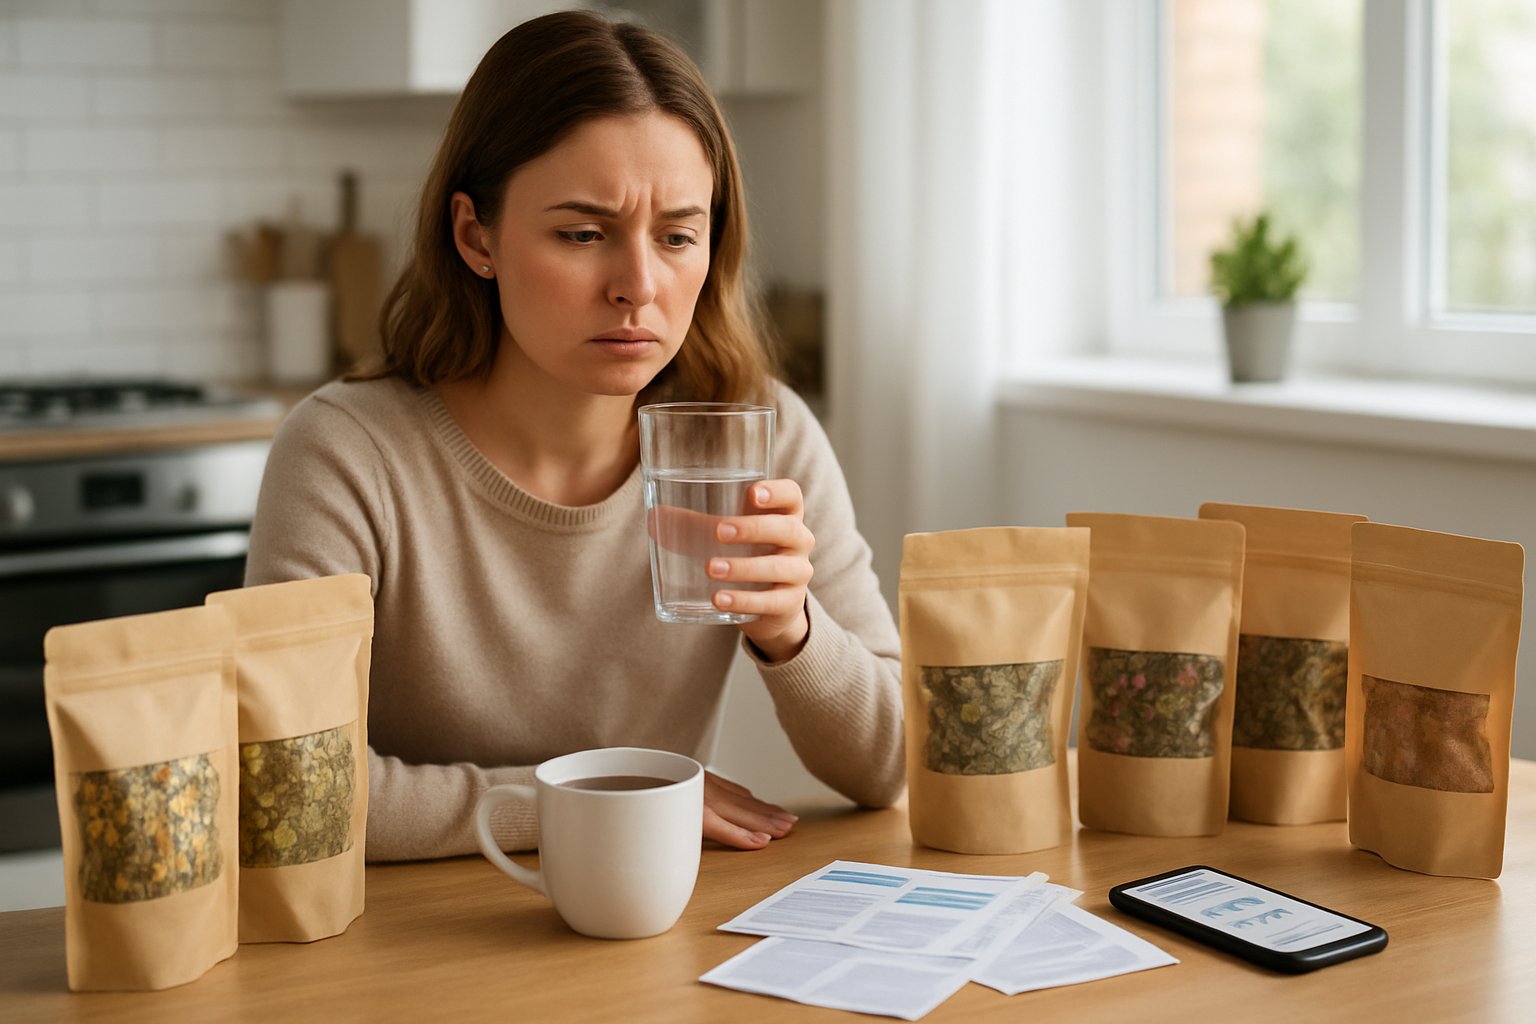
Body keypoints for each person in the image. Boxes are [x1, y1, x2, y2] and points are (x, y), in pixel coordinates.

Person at [245, 10, 903, 861]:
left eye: (676, 236)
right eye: (582, 234)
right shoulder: (346, 454)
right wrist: (604, 799)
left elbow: (891, 769)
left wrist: (792, 629)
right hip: (400, 947)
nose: (638, 286)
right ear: (476, 237)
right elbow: (287, 790)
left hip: (643, 935)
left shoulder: (759, 438)